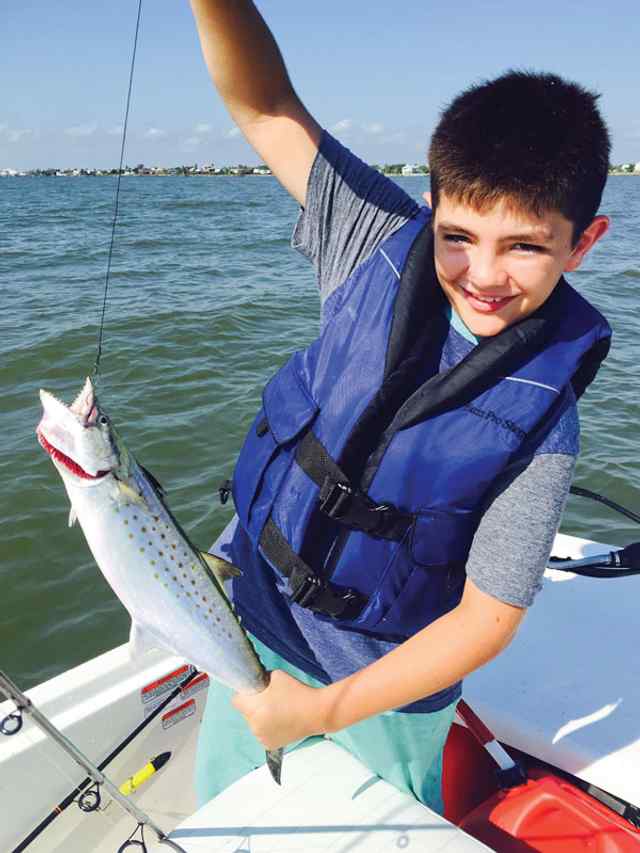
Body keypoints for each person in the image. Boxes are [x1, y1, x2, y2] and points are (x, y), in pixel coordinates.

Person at [189, 0, 612, 813]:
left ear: (583, 242)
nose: (483, 274)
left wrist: (323, 710)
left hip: (383, 694)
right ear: (431, 204)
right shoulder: (368, 237)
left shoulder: (547, 420)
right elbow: (264, 105)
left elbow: (487, 620)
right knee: (230, 819)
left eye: (525, 246)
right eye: (459, 235)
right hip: (251, 622)